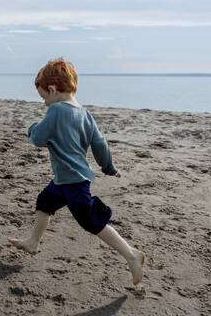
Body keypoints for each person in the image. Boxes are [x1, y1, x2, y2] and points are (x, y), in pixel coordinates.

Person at [8, 58, 145, 285]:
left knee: (91, 221)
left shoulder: (57, 110)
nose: (45, 104)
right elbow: (100, 144)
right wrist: (109, 168)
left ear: (52, 89)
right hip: (67, 179)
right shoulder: (85, 113)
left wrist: (31, 128)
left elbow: (39, 138)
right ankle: (33, 242)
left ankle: (132, 255)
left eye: (44, 98)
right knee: (45, 201)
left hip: (72, 182)